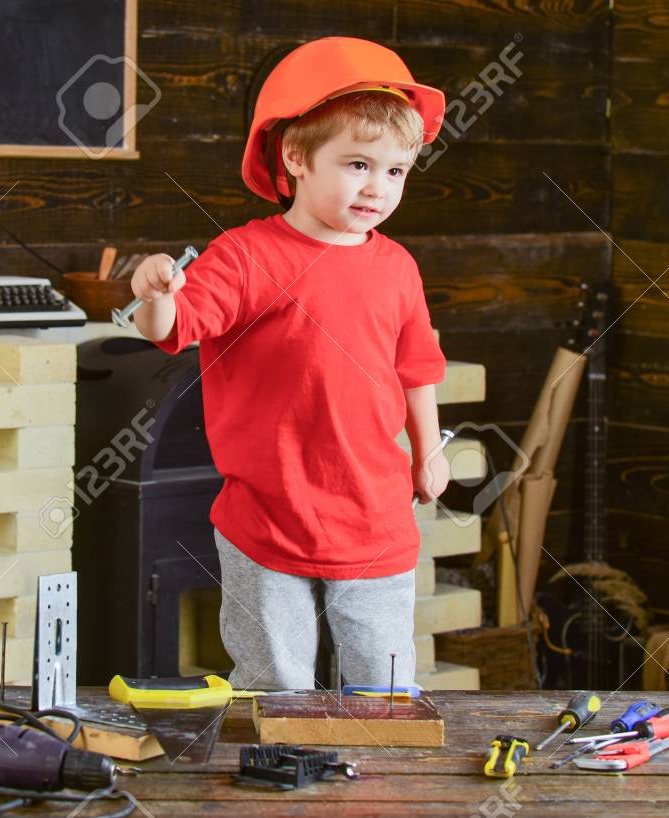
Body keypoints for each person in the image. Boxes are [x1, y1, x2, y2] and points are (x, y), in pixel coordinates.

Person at [131, 37, 450, 691]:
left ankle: (377, 788)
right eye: (358, 163)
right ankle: (276, 781)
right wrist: (155, 297)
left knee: (385, 684)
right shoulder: (246, 257)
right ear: (297, 157)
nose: (377, 187)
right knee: (275, 683)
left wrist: (427, 452)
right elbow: (175, 329)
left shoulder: (398, 268)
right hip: (266, 517)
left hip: (374, 512)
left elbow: (416, 367)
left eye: (395, 172)